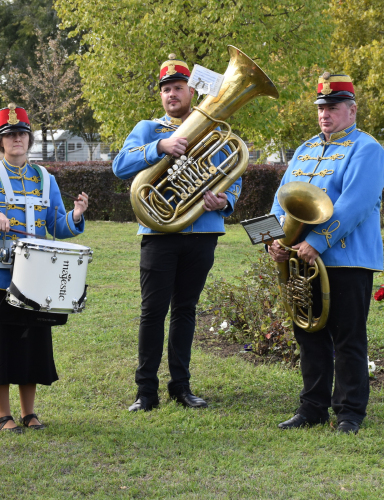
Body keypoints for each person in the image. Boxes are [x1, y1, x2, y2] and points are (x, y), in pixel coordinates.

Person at [113, 54, 242, 412]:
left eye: (179, 88)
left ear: (191, 91)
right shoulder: (147, 129)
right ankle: (145, 392)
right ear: (161, 95)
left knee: (185, 310)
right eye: (166, 89)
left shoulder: (215, 129)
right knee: (152, 311)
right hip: (159, 232)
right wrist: (159, 147)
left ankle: (181, 387)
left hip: (202, 231)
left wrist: (225, 200)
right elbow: (120, 166)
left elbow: (234, 171)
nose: (172, 94)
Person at [268, 72, 384, 435]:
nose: (325, 114)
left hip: (347, 259)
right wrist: (275, 239)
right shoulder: (305, 149)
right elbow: (281, 199)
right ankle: (313, 407)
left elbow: (356, 204)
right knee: (308, 336)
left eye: (333, 107)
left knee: (348, 337)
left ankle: (350, 413)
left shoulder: (367, 149)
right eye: (321, 107)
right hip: (298, 258)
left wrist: (317, 242)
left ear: (352, 111)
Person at [0, 104, 88, 433]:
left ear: (29, 139)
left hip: (37, 276)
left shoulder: (46, 179)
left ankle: (30, 413)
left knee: (31, 344)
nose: (16, 139)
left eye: (21, 134)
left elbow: (57, 226)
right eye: (9, 135)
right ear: (0, 142)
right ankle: (4, 414)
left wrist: (74, 216)